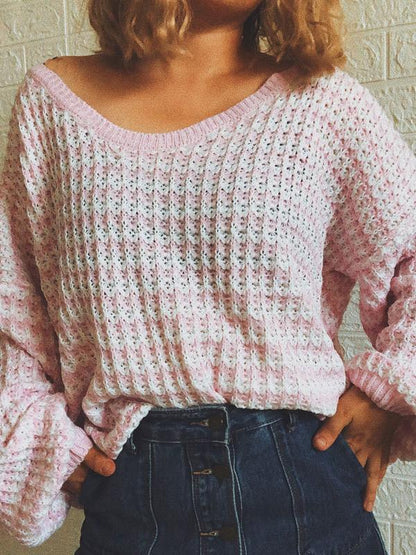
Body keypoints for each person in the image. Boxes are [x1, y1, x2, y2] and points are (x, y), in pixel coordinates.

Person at [1, 0, 415, 553]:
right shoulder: (51, 106)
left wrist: (389, 392)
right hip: (132, 502)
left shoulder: (320, 103)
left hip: (306, 484)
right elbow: (16, 311)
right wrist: (44, 446)